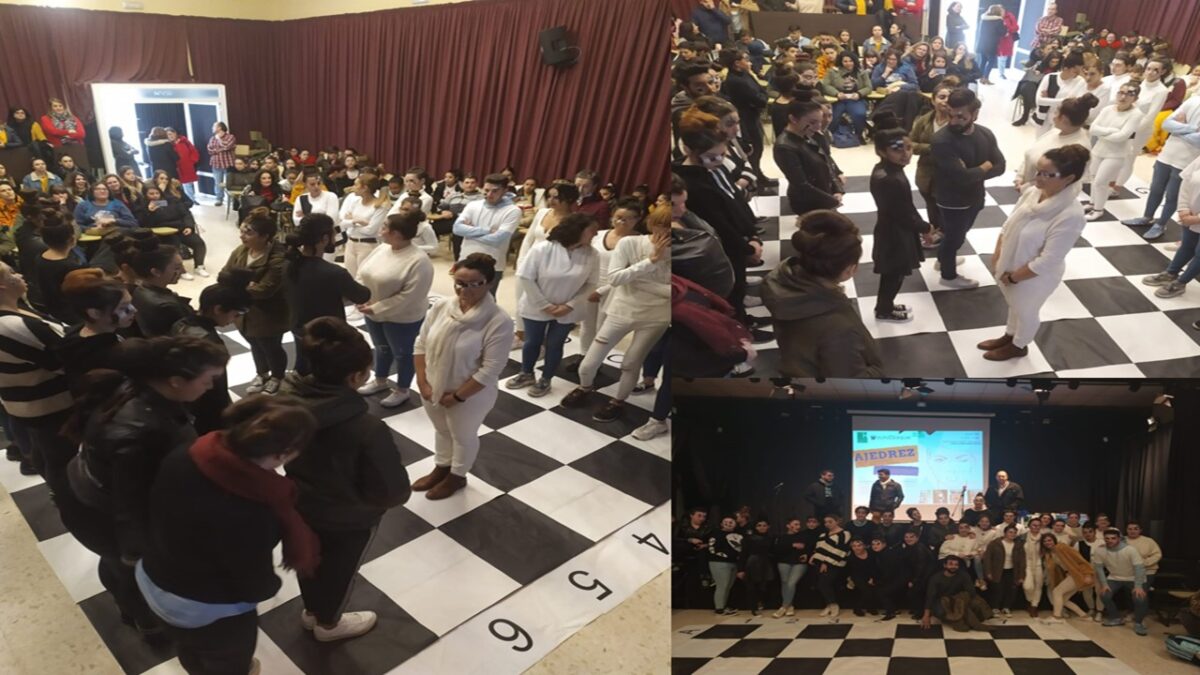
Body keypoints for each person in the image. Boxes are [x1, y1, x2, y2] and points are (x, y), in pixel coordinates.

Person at [61, 336, 229, 640]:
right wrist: (137, 553)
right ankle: (146, 622)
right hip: (107, 517)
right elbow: (131, 506)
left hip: (93, 498)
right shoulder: (140, 433)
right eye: (209, 379)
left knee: (116, 565)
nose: (211, 387)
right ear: (176, 381)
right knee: (130, 572)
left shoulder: (136, 389)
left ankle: (131, 605)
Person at [135, 396, 317, 675]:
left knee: (189, 648)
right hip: (204, 609)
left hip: (154, 579)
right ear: (282, 455)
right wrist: (270, 587)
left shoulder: (188, 453)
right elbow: (252, 581)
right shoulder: (252, 510)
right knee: (229, 663)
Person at [279, 317, 412, 641]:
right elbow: (393, 491)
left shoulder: (282, 404)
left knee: (308, 559)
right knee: (339, 571)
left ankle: (312, 611)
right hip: (348, 518)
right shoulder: (367, 429)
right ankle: (329, 624)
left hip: (299, 503)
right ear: (356, 376)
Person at [412, 254, 513, 499]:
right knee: (442, 431)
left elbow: (491, 369)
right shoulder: (442, 307)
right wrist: (423, 382)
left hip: (470, 395)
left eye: (474, 284)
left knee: (463, 437)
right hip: (433, 387)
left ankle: (457, 476)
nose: (464, 290)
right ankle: (441, 467)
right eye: (459, 282)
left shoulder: (498, 320)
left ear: (489, 283)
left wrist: (457, 396)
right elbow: (421, 344)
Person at [982, 144, 1090, 360]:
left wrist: (1014, 277)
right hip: (1011, 265)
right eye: (1038, 171)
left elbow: (1049, 259)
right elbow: (1008, 225)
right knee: (1014, 305)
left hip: (1034, 277)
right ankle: (1010, 335)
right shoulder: (1033, 193)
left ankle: (1019, 345)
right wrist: (998, 255)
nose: (1038, 178)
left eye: (1047, 174)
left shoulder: (1071, 215)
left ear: (1069, 178)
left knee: (1026, 311)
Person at [762, 209, 881, 377]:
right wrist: (877, 371)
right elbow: (852, 382)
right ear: (849, 270)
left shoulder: (783, 284)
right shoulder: (838, 329)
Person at [506, 213, 599, 397]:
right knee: (532, 342)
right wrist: (545, 305)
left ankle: (546, 379)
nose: (595, 235)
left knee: (555, 345)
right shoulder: (543, 248)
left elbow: (591, 284)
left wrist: (569, 305)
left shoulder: (592, 254)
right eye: (592, 231)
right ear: (578, 230)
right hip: (536, 305)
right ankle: (526, 373)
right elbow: (525, 277)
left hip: (568, 310)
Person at [0, 261, 75, 481]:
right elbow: (63, 360)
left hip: (26, 404)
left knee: (45, 453)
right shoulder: (12, 326)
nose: (20, 275)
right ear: (2, 286)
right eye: (12, 273)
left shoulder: (17, 310)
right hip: (47, 406)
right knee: (61, 462)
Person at [353, 210, 435, 408]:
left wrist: (377, 307)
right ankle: (380, 380)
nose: (380, 230)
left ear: (396, 234)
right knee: (381, 348)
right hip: (372, 311)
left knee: (403, 354)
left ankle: (402, 389)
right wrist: (360, 296)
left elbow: (410, 296)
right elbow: (362, 272)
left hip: (402, 318)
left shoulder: (419, 260)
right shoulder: (382, 248)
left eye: (384, 227)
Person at [932, 88, 1006, 289]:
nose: (953, 121)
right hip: (951, 199)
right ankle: (948, 276)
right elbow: (961, 178)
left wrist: (974, 172)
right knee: (954, 237)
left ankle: (943, 259)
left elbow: (1000, 166)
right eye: (951, 115)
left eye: (961, 117)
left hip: (975, 195)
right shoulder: (942, 141)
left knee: (958, 235)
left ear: (975, 114)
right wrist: (984, 166)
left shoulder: (985, 134)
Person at [283, 214, 370, 375]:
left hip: (298, 327)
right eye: (333, 234)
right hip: (328, 334)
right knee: (326, 373)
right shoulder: (334, 273)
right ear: (324, 239)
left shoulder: (288, 265)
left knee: (303, 365)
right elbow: (362, 296)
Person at [171, 269, 252, 435]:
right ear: (218, 309)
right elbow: (216, 389)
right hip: (204, 408)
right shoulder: (210, 343)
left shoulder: (181, 323)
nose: (235, 320)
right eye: (235, 314)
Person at [869, 121, 929, 322]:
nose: (906, 154)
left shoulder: (890, 169)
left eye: (909, 147)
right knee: (893, 274)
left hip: (895, 229)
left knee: (894, 273)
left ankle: (886, 305)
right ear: (882, 151)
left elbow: (905, 206)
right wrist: (925, 227)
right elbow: (902, 212)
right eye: (897, 149)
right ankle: (884, 310)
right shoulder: (889, 179)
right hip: (894, 233)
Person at [224, 213, 290, 394]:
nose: (242, 236)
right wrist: (248, 284)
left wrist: (238, 284)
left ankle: (277, 377)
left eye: (249, 233)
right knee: (254, 343)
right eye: (242, 231)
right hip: (243, 311)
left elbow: (265, 289)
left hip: (269, 313)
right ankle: (262, 373)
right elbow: (224, 274)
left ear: (264, 236)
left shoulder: (278, 258)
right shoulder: (241, 250)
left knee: (270, 346)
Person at [1123, 89, 1200, 243]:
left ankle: (1161, 224)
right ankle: (1147, 217)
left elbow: (1198, 141)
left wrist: (1180, 128)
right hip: (1167, 155)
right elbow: (1167, 124)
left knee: (1172, 195)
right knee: (1155, 188)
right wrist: (1192, 129)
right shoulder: (1193, 100)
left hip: (1186, 161)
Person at [55, 269, 137, 390]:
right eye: (123, 307)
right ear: (95, 313)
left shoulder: (77, 334)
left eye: (130, 303)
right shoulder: (105, 355)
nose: (134, 310)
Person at [452, 174, 521, 295]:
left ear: (505, 190)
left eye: (495, 191)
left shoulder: (513, 211)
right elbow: (457, 228)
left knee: (487, 299)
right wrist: (487, 230)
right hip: (466, 258)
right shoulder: (473, 205)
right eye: (486, 190)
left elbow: (497, 239)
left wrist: (469, 232)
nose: (489, 194)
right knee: (461, 295)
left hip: (493, 263)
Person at [1088, 84, 1144, 221]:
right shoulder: (1107, 109)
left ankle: (1098, 209)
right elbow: (1093, 129)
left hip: (1116, 154)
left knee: (1101, 182)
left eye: (1129, 94)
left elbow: (1122, 136)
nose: (1123, 97)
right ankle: (1092, 203)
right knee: (1093, 178)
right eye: (1121, 92)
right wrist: (1111, 131)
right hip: (1099, 149)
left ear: (1135, 98)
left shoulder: (1136, 114)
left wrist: (1102, 133)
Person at [911, 80, 955, 251]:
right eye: (941, 97)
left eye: (949, 97)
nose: (945, 101)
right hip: (926, 173)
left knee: (945, 206)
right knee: (931, 203)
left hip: (950, 174)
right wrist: (931, 148)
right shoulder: (923, 121)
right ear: (933, 100)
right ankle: (934, 230)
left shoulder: (957, 121)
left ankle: (946, 233)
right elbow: (911, 144)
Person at [720, 49, 769, 182]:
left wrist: (762, 96)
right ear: (737, 63)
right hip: (746, 118)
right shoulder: (734, 80)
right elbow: (759, 99)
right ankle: (755, 178)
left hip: (754, 114)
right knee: (754, 149)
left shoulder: (746, 74)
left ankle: (759, 174)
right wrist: (762, 96)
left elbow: (762, 91)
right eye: (746, 60)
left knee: (759, 147)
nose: (750, 62)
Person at [127, 238, 193, 337]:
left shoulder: (139, 290)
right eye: (177, 267)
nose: (184, 271)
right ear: (156, 272)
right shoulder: (166, 306)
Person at [142, 184, 208, 280]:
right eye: (151, 194)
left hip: (181, 228)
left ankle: (199, 266)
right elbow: (145, 224)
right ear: (145, 195)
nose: (155, 196)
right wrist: (150, 212)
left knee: (198, 242)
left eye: (157, 193)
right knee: (174, 247)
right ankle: (181, 271)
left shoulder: (172, 201)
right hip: (164, 233)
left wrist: (189, 226)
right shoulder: (144, 206)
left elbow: (186, 214)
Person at [1093, 527, 1150, 635]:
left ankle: (1139, 623)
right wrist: (1104, 584)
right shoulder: (1100, 550)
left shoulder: (1130, 550)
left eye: (1113, 538)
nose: (1110, 540)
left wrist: (1138, 586)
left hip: (1134, 578)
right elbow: (1099, 568)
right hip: (1115, 577)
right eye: (1107, 538)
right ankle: (1116, 618)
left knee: (1140, 598)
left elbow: (1139, 568)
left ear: (1119, 538)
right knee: (1104, 595)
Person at [339, 175, 391, 282]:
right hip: (351, 243)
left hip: (367, 245)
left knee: (363, 279)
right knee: (350, 278)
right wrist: (357, 221)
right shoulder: (356, 202)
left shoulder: (380, 206)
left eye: (356, 185)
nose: (353, 187)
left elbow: (370, 230)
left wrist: (352, 222)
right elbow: (343, 223)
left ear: (365, 188)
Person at [33, 218, 82, 325]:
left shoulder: (39, 257)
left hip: (51, 310)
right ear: (71, 239)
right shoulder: (71, 266)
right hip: (71, 314)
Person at [1038, 533, 1094, 622]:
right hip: (1070, 575)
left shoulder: (1062, 547)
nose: (1047, 542)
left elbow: (1080, 559)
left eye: (1049, 540)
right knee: (1063, 599)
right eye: (1044, 541)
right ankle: (1084, 616)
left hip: (1077, 574)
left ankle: (1056, 617)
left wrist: (1088, 574)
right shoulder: (1051, 553)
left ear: (1054, 540)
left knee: (1056, 592)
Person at [923, 556, 990, 631]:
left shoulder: (964, 575)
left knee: (976, 604)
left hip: (959, 600)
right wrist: (926, 616)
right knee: (940, 611)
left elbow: (971, 592)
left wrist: (960, 600)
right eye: (951, 564)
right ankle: (962, 621)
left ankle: (961, 619)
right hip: (942, 601)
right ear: (945, 565)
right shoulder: (935, 578)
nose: (953, 567)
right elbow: (930, 596)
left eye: (956, 565)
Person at [1033, 52, 1088, 138]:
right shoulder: (1050, 77)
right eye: (1075, 71)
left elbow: (1075, 104)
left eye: (1080, 71)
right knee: (1039, 141)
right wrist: (1065, 100)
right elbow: (1039, 101)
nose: (1078, 74)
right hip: (1043, 117)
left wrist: (1048, 99)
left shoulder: (1080, 82)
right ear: (1065, 68)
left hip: (1062, 121)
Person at [811, 514, 853, 618]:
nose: (827, 524)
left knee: (824, 584)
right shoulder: (823, 535)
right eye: (825, 522)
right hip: (819, 562)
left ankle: (834, 605)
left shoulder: (845, 533)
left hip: (834, 563)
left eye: (830, 521)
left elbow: (841, 550)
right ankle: (829, 605)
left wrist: (826, 562)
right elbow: (819, 548)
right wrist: (813, 556)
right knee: (821, 584)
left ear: (837, 521)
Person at [983, 524, 1026, 617]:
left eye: (1014, 533)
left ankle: (1006, 607)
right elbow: (987, 558)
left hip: (1012, 570)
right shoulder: (995, 543)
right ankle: (995, 608)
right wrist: (988, 572)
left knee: (1010, 590)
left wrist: (1021, 575)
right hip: (997, 570)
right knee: (997, 590)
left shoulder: (1018, 545)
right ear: (1005, 533)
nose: (1012, 534)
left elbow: (1022, 561)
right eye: (1010, 532)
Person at [772, 517, 808, 618]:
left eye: (799, 524)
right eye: (795, 524)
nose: (798, 526)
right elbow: (777, 550)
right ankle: (790, 606)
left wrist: (806, 554)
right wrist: (792, 545)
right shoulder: (781, 537)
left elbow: (808, 548)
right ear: (788, 526)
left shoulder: (803, 536)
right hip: (784, 562)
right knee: (785, 583)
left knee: (791, 583)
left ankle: (784, 606)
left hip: (799, 563)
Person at [737, 518, 775, 616]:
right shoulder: (748, 539)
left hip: (766, 563)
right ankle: (753, 607)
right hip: (753, 563)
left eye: (764, 525)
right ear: (755, 527)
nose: (762, 527)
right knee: (752, 586)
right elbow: (743, 554)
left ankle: (760, 603)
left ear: (768, 527)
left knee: (764, 586)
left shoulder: (771, 538)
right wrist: (740, 569)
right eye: (759, 525)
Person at [708, 516, 743, 616]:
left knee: (728, 586)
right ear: (721, 524)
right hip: (719, 563)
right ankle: (719, 608)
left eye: (731, 522)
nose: (728, 523)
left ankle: (723, 606)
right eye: (725, 522)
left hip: (734, 563)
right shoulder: (716, 534)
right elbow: (712, 549)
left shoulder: (739, 535)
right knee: (722, 585)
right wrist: (726, 556)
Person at [900, 528, 935, 619]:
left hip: (926, 576)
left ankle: (920, 612)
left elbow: (921, 567)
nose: (908, 539)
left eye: (911, 537)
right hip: (920, 574)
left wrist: (913, 580)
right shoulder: (910, 547)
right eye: (906, 537)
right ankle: (916, 609)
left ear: (917, 538)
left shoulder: (919, 548)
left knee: (914, 592)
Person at [74, 182, 138, 230]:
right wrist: (90, 229)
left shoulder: (117, 204)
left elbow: (133, 223)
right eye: (98, 189)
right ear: (92, 192)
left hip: (116, 235)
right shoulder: (82, 205)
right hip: (91, 237)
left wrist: (114, 220)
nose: (102, 191)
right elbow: (76, 226)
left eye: (105, 189)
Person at [1123, 521, 1162, 592]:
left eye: (1135, 529)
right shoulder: (1121, 540)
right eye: (1130, 529)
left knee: (1140, 592)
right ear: (1126, 530)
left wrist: (1143, 563)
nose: (1132, 531)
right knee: (1128, 592)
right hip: (1127, 572)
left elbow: (1157, 555)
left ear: (1140, 530)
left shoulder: (1149, 541)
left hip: (1147, 571)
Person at [846, 538, 881, 616]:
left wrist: (872, 578)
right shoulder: (851, 557)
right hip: (858, 576)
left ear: (864, 546)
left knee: (875, 589)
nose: (856, 548)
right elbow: (854, 572)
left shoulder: (871, 553)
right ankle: (857, 608)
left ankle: (870, 607)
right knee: (867, 591)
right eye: (854, 546)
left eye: (859, 545)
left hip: (872, 575)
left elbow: (875, 567)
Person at [206, 122, 237, 207]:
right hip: (216, 164)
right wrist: (220, 149)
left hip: (228, 163)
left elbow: (227, 146)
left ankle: (232, 199)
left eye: (214, 126)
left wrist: (219, 139)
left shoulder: (230, 137)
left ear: (219, 127)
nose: (212, 128)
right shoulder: (212, 138)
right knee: (218, 183)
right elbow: (209, 150)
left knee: (230, 182)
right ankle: (219, 199)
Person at [165, 128, 200, 200]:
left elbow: (193, 151)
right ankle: (185, 200)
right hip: (175, 167)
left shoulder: (184, 141)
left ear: (175, 133)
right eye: (168, 135)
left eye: (171, 134)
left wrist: (192, 161)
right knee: (177, 185)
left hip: (187, 166)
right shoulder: (167, 145)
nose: (170, 136)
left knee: (188, 184)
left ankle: (191, 200)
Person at [976, 5, 1005, 85]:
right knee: (991, 62)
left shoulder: (983, 19)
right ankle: (985, 78)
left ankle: (980, 77)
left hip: (982, 43)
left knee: (983, 61)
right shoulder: (999, 20)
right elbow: (1003, 32)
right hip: (991, 45)